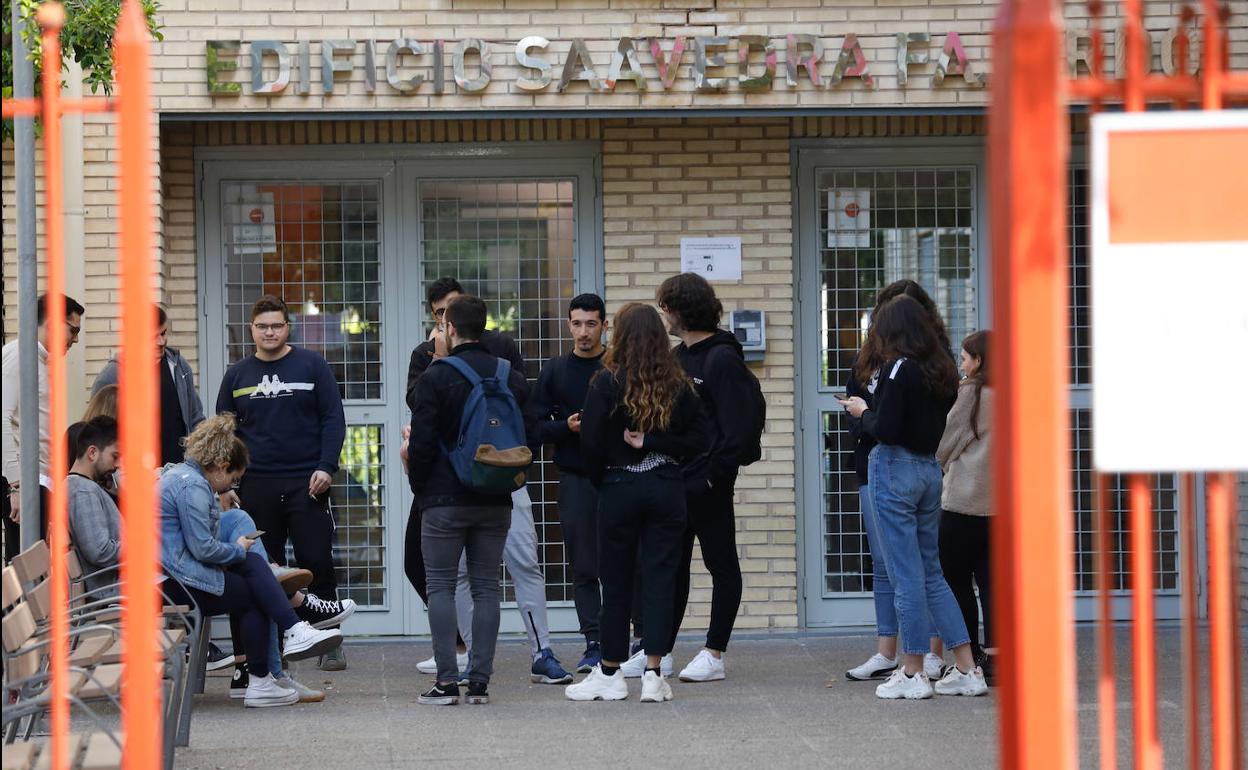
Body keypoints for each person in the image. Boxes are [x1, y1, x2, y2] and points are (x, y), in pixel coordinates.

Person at [404, 277, 571, 685]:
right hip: (480, 487)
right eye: (440, 313)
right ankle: (471, 661)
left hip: (485, 486)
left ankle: (539, 652)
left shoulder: (502, 351)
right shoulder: (425, 358)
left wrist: (421, 485)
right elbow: (418, 403)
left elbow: (426, 435)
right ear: (433, 317)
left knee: (520, 564)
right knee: (468, 579)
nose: (445, 322)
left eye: (451, 313)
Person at [840, 295, 988, 699]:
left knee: (904, 574)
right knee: (932, 573)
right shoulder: (939, 367)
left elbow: (885, 428)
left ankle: (912, 671)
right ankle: (968, 668)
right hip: (928, 470)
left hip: (894, 469)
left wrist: (860, 411)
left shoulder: (897, 368)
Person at [565, 303, 708, 704]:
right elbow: (700, 440)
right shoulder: (678, 383)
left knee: (616, 581)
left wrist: (607, 478)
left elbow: (590, 444)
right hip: (665, 486)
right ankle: (653, 673)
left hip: (619, 488)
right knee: (661, 580)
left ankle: (609, 672)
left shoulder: (605, 382)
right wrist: (657, 445)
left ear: (620, 335)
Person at [158, 414, 344, 707]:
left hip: (175, 576)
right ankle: (269, 668)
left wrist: (238, 550)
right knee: (256, 592)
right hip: (174, 583)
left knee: (254, 569)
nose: (229, 486)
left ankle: (279, 651)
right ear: (220, 466)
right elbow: (203, 549)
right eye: (232, 479)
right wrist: (237, 550)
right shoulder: (191, 486)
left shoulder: (184, 477)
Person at [216, 294, 354, 672]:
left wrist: (327, 467)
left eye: (277, 325)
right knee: (260, 567)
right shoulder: (237, 375)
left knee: (317, 560)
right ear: (252, 329)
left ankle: (330, 643)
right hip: (255, 486)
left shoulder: (312, 365)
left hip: (307, 482)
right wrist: (226, 485)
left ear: (287, 327)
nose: (270, 332)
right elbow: (223, 433)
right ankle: (267, 650)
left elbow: (333, 419)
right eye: (262, 326)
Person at [654, 273, 760, 683]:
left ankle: (714, 653)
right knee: (671, 567)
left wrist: (713, 476)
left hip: (708, 483)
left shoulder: (722, 358)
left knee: (720, 563)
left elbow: (739, 431)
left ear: (681, 309)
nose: (663, 313)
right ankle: (658, 653)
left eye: (666, 305)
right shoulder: (680, 356)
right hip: (676, 481)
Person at [843, 280, 950, 683]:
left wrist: (867, 416)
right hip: (874, 464)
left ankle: (926, 656)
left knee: (921, 566)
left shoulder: (923, 362)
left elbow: (894, 420)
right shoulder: (872, 359)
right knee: (885, 565)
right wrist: (862, 419)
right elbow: (860, 400)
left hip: (908, 464)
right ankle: (887, 650)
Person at [528, 293, 609, 673]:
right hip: (575, 477)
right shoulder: (556, 370)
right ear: (568, 325)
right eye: (576, 323)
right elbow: (536, 426)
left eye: (591, 323)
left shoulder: (617, 366)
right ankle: (594, 642)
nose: (583, 332)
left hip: (619, 477)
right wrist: (567, 426)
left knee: (628, 560)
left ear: (604, 326)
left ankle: (638, 639)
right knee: (584, 564)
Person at [2, 293, 85, 561]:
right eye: (72, 330)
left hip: (38, 482)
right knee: (26, 569)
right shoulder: (20, 356)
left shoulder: (40, 361)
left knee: (35, 569)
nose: (75, 339)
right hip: (25, 482)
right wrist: (15, 487)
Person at [936, 330, 994, 683]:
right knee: (991, 581)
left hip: (964, 501)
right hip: (1000, 504)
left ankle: (968, 657)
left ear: (979, 360)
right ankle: (998, 657)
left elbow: (948, 442)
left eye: (965, 357)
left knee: (955, 580)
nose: (962, 364)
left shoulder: (972, 392)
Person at [93, 305, 205, 465]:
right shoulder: (112, 375)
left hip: (179, 472)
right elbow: (98, 435)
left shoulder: (179, 366)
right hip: (134, 477)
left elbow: (196, 419)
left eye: (163, 333)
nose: (161, 341)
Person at [65, 417, 123, 600]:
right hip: (112, 595)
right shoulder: (83, 491)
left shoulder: (82, 487)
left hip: (116, 588)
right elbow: (99, 551)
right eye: (115, 456)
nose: (117, 465)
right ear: (92, 453)